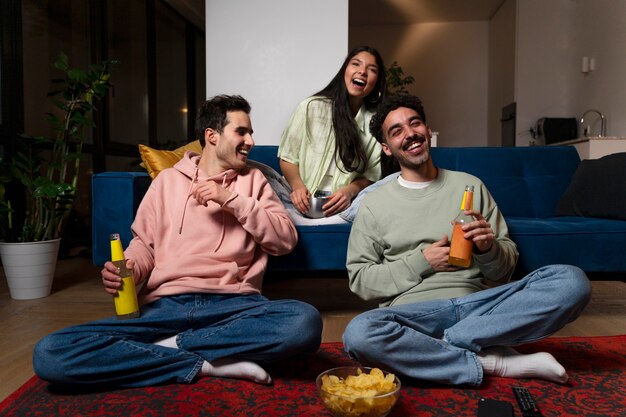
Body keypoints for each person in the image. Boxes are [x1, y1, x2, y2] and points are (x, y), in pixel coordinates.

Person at [33, 95, 323, 388]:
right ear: (212, 135)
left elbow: (284, 241)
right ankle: (206, 364)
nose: (250, 140)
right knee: (51, 353)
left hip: (235, 309)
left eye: (250, 132)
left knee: (303, 323)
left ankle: (167, 348)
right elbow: (144, 245)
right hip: (164, 308)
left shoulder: (254, 182)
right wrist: (130, 269)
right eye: (241, 131)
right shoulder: (167, 182)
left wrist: (232, 200)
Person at [342, 94, 591, 386]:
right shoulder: (374, 204)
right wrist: (421, 262)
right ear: (387, 148)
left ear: (426, 129)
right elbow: (360, 280)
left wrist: (488, 247)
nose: (409, 133)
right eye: (397, 131)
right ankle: (492, 360)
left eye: (415, 123)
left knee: (572, 281)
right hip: (415, 316)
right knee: (359, 333)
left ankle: (438, 347)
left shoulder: (470, 185)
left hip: (481, 306)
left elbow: (503, 270)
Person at [278, 46, 387, 224]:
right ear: (345, 70)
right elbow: (287, 157)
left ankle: (322, 221)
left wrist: (349, 191)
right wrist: (297, 187)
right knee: (260, 176)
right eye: (356, 64)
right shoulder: (311, 106)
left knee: (385, 186)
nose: (362, 72)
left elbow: (372, 176)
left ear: (377, 81)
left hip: (346, 206)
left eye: (372, 69)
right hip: (300, 201)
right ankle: (299, 218)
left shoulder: (375, 122)